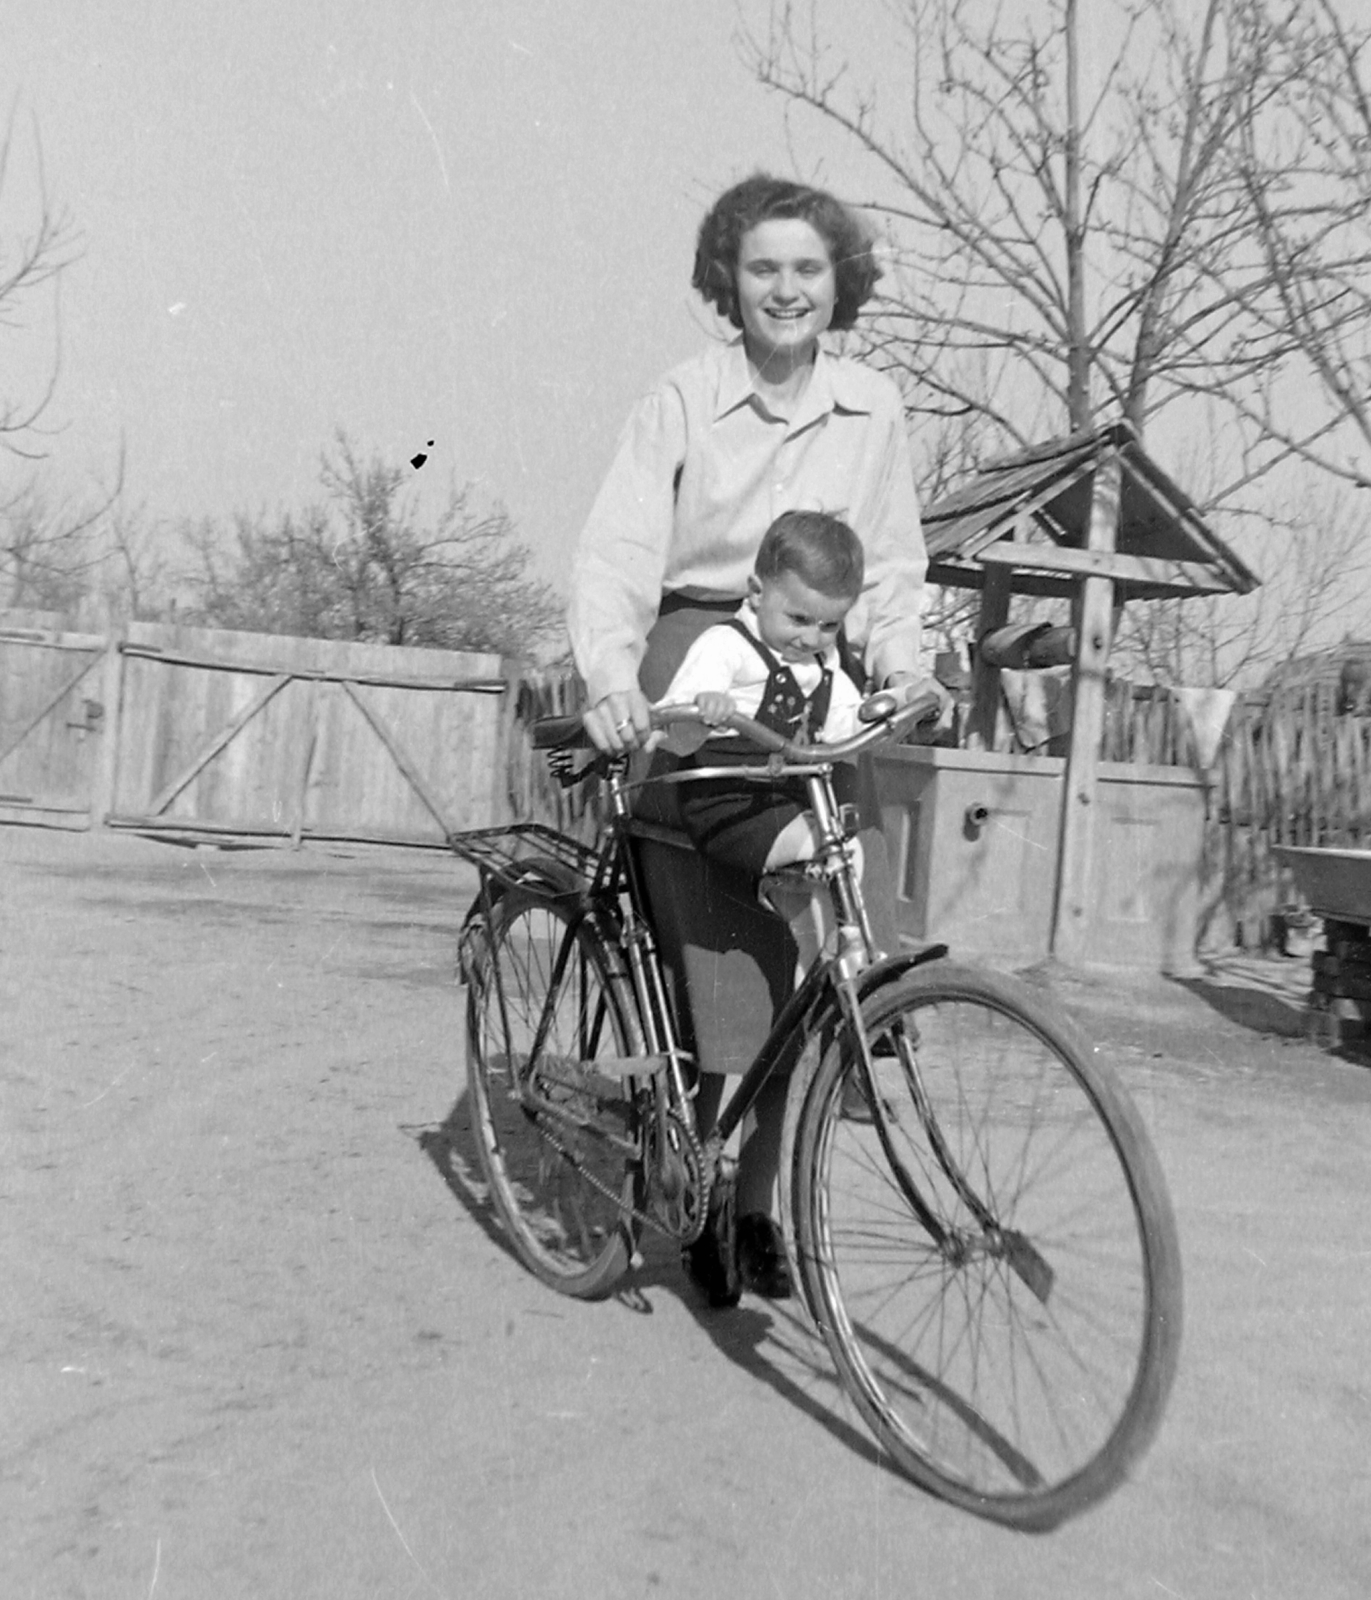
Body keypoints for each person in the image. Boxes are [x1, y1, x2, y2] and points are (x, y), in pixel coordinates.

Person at [568, 172, 941, 1304]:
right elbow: (622, 551)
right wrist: (610, 679)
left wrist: (908, 663)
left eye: (809, 269)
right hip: (703, 675)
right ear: (728, 279)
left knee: (832, 951)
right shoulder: (683, 398)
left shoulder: (873, 407)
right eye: (764, 267)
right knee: (726, 965)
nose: (787, 290)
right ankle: (691, 1164)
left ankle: (760, 1198)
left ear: (841, 284)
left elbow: (890, 565)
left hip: (817, 679)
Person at [657, 508, 866, 886]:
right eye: (799, 619)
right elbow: (671, 728)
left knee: (844, 850)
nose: (811, 638)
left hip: (792, 800)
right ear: (756, 593)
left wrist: (884, 713)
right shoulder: (727, 646)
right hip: (728, 805)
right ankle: (837, 938)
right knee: (831, 845)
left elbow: (845, 724)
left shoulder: (824, 666)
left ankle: (845, 942)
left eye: (829, 625)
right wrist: (703, 710)